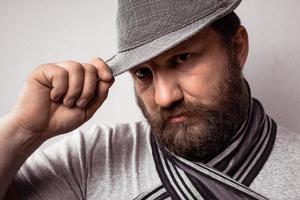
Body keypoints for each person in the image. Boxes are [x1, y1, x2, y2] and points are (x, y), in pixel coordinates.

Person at [0, 0, 299, 199]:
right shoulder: (90, 158)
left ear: (236, 48)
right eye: (143, 72)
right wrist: (23, 131)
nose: (164, 96)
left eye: (183, 58)